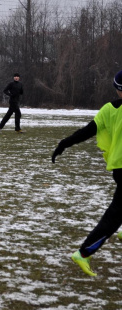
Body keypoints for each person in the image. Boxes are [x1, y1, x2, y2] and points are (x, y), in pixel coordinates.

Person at [52, 69, 122, 277]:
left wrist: (64, 143)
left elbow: (87, 131)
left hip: (119, 168)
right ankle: (84, 253)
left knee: (116, 214)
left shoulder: (109, 109)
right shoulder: (109, 109)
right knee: (112, 218)